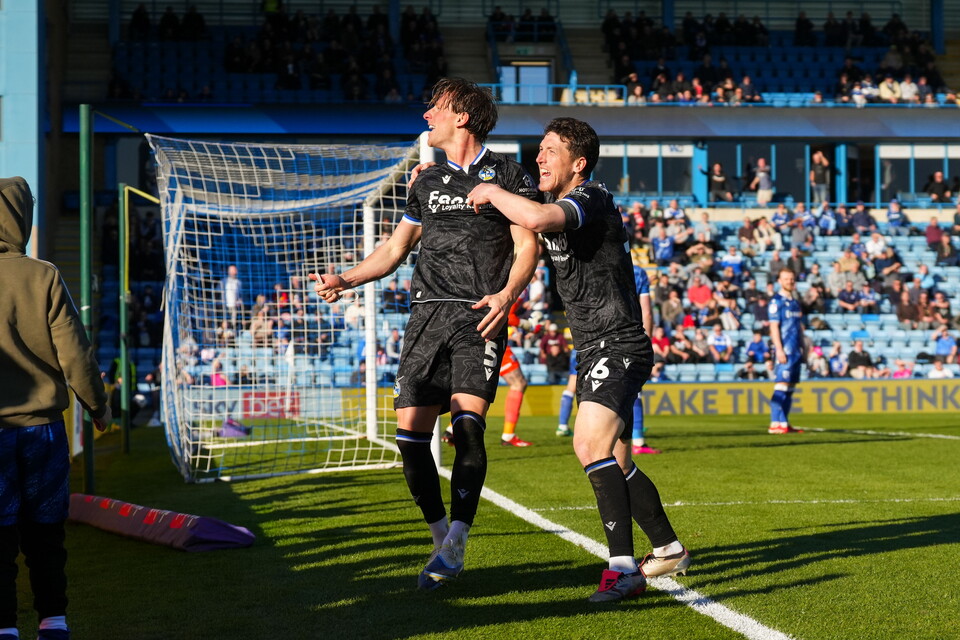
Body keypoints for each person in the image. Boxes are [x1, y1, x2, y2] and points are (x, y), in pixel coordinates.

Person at [311, 78, 540, 592]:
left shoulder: (508, 174)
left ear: (461, 115)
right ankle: (440, 536)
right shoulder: (425, 180)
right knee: (411, 438)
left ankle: (458, 537)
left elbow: (528, 247)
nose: (425, 117)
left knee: (469, 428)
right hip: (424, 318)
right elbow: (394, 251)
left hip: (477, 315)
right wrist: (345, 279)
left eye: (434, 108)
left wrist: (506, 297)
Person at [467, 117, 688, 602]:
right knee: (619, 460)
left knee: (589, 446)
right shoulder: (544, 201)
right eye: (539, 150)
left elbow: (539, 220)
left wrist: (489, 190)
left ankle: (624, 570)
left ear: (578, 163)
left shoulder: (594, 198)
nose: (539, 157)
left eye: (549, 150)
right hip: (591, 346)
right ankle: (668, 547)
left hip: (619, 342)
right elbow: (517, 209)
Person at [0, 176, 112, 640]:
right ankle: (53, 620)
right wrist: (97, 406)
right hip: (43, 430)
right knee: (46, 530)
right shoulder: (42, 274)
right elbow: (76, 353)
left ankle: (5, 626)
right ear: (20, 217)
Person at [768, 268, 804, 434]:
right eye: (786, 279)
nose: (789, 281)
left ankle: (784, 423)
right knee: (781, 387)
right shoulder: (776, 302)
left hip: (796, 351)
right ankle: (775, 423)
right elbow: (774, 327)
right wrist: (779, 350)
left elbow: (799, 328)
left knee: (789, 389)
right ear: (779, 281)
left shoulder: (795, 302)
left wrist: (803, 346)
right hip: (785, 351)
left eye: (791, 278)